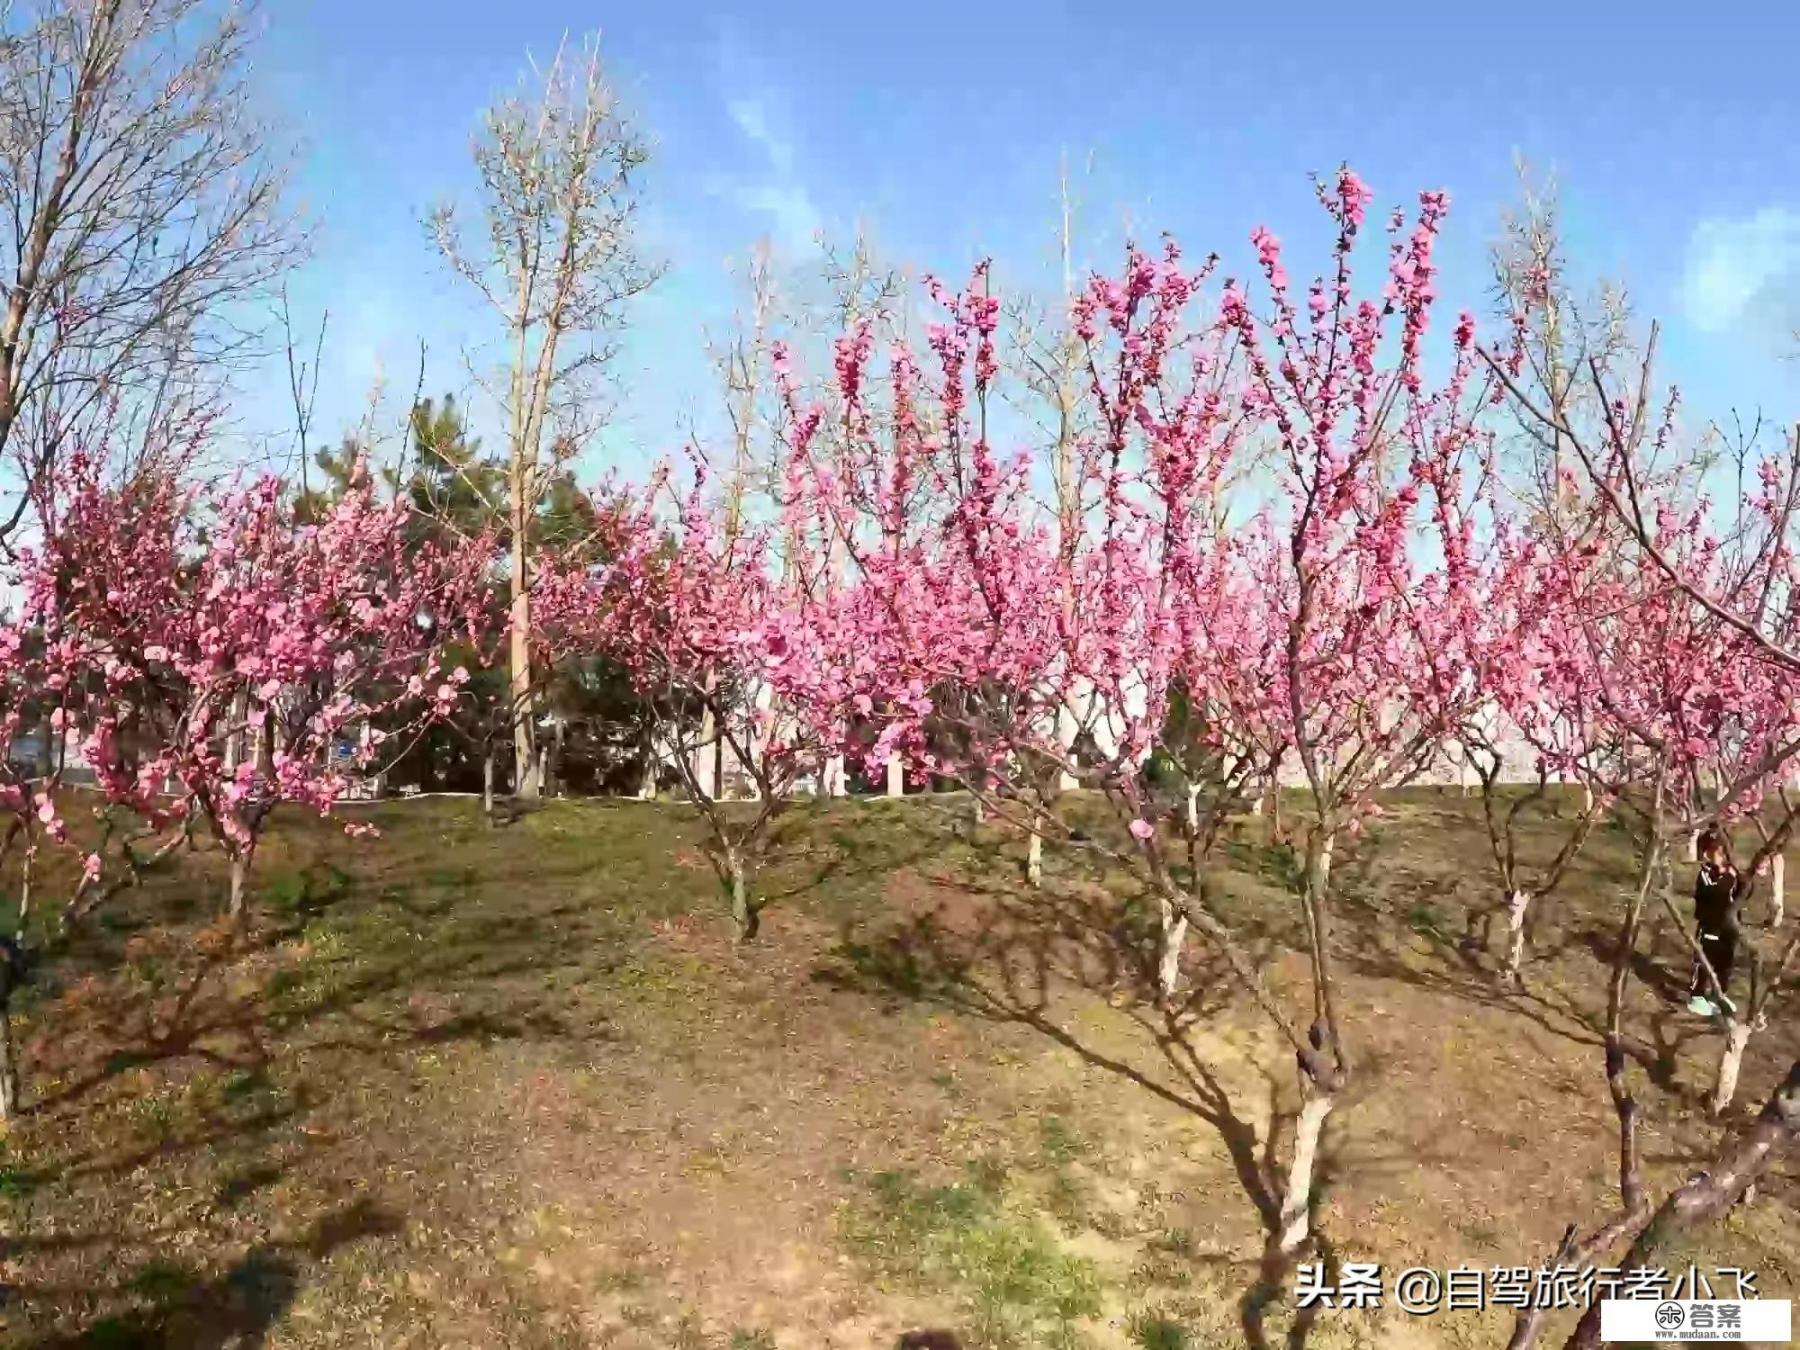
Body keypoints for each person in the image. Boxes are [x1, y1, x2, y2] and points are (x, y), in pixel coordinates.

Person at [1686, 828, 1747, 1017]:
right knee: (1705, 959)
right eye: (1714, 851)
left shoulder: (1733, 872)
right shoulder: (1706, 874)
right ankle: (1697, 995)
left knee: (1725, 962)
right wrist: (1728, 877)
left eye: (1722, 851)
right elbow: (1716, 892)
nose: (1719, 855)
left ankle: (1719, 994)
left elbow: (1742, 894)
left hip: (1729, 926)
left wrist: (1743, 881)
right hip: (1710, 923)